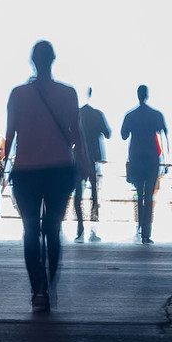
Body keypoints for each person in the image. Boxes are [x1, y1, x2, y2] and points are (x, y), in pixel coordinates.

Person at [3, 40, 92, 309]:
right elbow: (76, 135)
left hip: (26, 172)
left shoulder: (18, 95)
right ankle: (50, 284)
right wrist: (85, 164)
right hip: (58, 171)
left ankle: (38, 290)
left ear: (33, 61)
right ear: (52, 60)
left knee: (30, 230)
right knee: (52, 228)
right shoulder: (68, 94)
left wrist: (1, 167)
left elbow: (10, 135)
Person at [120, 85, 169, 244]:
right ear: (147, 95)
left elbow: (123, 135)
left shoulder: (130, 116)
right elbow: (164, 137)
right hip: (152, 159)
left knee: (138, 193)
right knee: (149, 195)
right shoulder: (156, 115)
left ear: (138, 95)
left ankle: (140, 225)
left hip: (136, 158)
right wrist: (166, 161)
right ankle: (146, 232)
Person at [76, 89, 111, 239]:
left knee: (79, 190)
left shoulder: (77, 113)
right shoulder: (97, 114)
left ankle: (80, 223)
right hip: (94, 156)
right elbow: (108, 133)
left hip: (78, 157)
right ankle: (94, 216)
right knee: (95, 188)